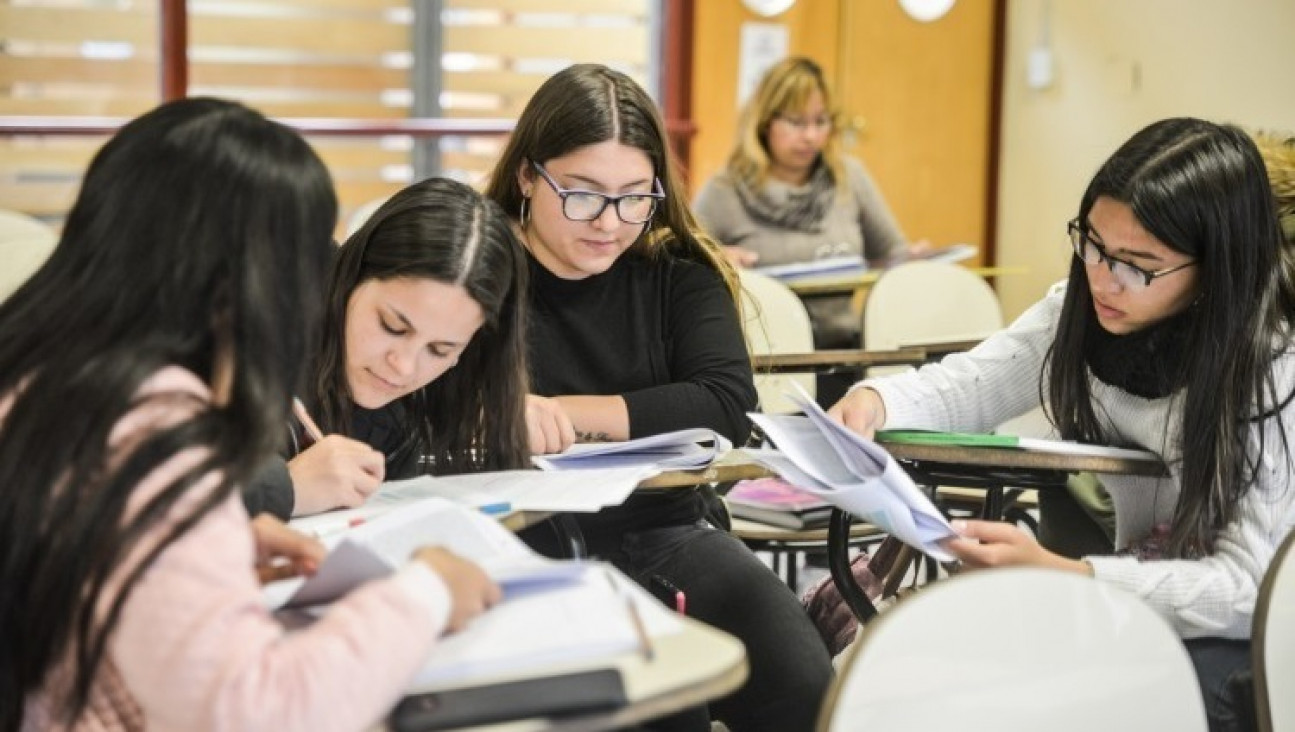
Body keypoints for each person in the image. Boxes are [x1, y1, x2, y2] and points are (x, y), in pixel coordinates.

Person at [0, 98, 499, 730]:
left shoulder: (46, 364)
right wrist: (425, 592)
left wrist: (202, 541)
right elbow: (259, 711)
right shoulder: (156, 432)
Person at [829, 117, 1295, 732]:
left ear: (1216, 268)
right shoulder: (1079, 308)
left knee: (1087, 699)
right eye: (1093, 244)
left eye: (1138, 265)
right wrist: (875, 401)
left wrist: (1070, 575)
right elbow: (970, 382)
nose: (1103, 278)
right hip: (1139, 590)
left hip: (1251, 638)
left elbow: (1245, 590)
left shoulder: (1271, 365)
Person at [483, 63, 834, 731]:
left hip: (664, 527)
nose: (610, 223)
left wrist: (554, 414)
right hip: (516, 536)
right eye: (581, 194)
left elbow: (724, 406)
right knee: (663, 707)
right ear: (528, 176)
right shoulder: (475, 264)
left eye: (634, 196)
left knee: (802, 684)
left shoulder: (676, 276)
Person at [243, 175, 532, 517]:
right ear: (354, 275)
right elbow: (167, 475)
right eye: (392, 326)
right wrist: (285, 488)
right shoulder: (259, 309)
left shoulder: (413, 409)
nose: (404, 366)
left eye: (440, 350)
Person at [694, 57, 929, 351]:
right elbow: (679, 265)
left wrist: (912, 262)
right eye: (796, 122)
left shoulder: (849, 177)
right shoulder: (724, 190)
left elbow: (892, 252)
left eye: (821, 121)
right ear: (764, 122)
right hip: (763, 356)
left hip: (844, 350)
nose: (811, 136)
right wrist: (715, 261)